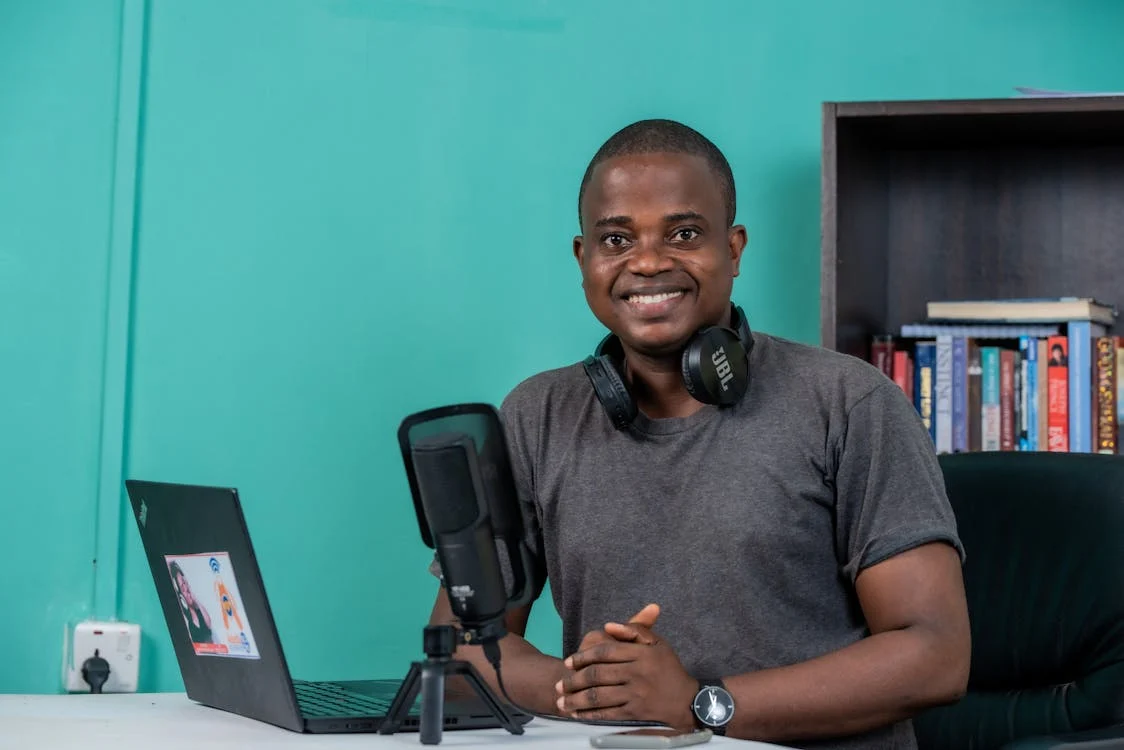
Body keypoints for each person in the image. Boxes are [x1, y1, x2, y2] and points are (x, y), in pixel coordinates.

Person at [426, 118, 970, 749]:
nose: (649, 261)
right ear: (584, 259)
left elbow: (935, 655)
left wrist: (698, 705)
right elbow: (464, 645)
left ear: (734, 249)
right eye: (616, 239)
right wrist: (593, 689)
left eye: (684, 234)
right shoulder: (535, 414)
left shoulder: (850, 402)